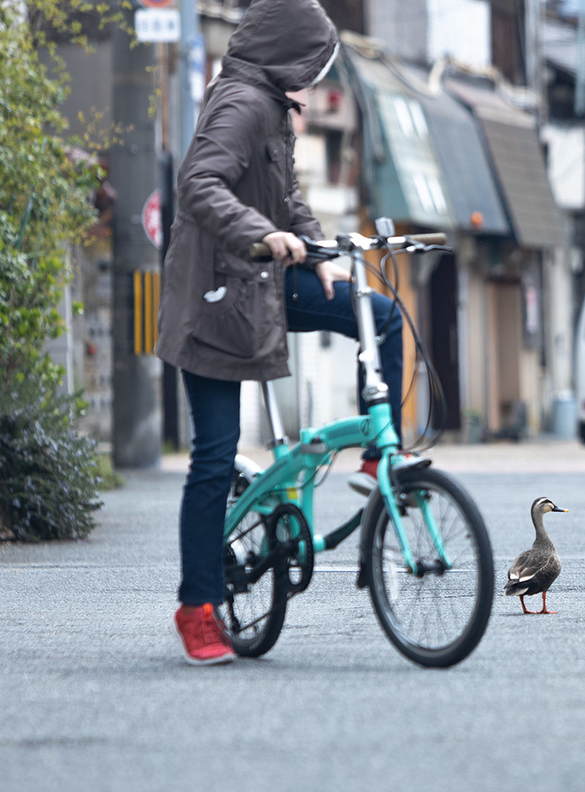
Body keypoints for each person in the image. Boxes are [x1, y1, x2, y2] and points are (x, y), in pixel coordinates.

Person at [155, 0, 404, 665]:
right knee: (214, 455)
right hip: (212, 297)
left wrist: (318, 252)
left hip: (261, 284)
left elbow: (285, 194)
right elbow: (199, 183)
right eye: (312, 60)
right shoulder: (240, 104)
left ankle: (385, 453)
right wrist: (262, 234)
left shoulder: (272, 105)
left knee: (380, 314)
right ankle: (197, 606)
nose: (315, 75)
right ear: (288, 52)